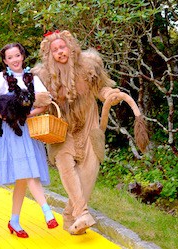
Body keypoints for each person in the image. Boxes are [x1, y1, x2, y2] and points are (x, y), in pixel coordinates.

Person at [31, 30, 122, 235]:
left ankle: (70, 216)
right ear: (49, 55)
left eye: (62, 47)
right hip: (61, 130)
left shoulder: (89, 66)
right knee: (65, 165)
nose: (60, 52)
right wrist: (41, 100)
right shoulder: (43, 76)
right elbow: (34, 101)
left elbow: (102, 89)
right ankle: (82, 213)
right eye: (55, 50)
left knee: (89, 173)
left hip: (89, 127)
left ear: (71, 47)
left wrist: (110, 95)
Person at [0, 42, 59, 239]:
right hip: (13, 131)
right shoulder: (1, 78)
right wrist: (3, 116)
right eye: (10, 57)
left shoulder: (32, 78)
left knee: (22, 180)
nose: (15, 60)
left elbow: (45, 102)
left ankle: (14, 221)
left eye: (17, 55)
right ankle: (47, 212)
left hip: (29, 129)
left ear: (22, 56)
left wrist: (30, 113)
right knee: (27, 171)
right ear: (5, 61)